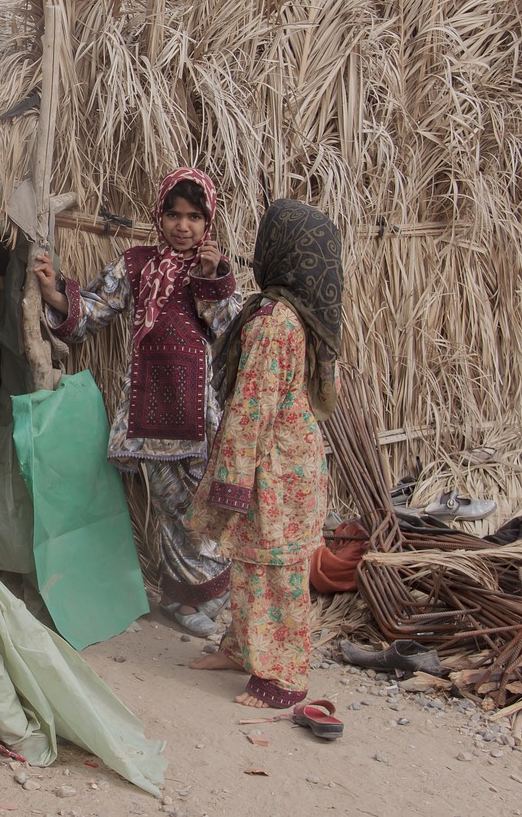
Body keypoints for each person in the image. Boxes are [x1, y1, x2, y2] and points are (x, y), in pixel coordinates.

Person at [34, 167, 242, 635]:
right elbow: (96, 307)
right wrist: (54, 292)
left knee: (201, 508)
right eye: (173, 214)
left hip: (199, 417)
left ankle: (204, 592)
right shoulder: (137, 264)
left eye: (193, 217)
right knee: (170, 509)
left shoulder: (216, 270)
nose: (182, 226)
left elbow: (233, 332)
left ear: (207, 223)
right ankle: (182, 600)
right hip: (150, 415)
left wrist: (212, 279)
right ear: (159, 215)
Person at [185, 198, 344, 709]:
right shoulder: (301, 315)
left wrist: (231, 483)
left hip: (271, 465)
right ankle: (241, 647)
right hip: (293, 458)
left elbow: (250, 411)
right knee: (254, 563)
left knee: (273, 569)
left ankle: (283, 676)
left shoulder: (272, 322)